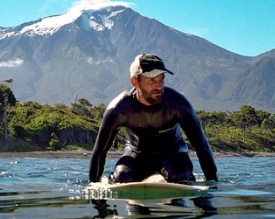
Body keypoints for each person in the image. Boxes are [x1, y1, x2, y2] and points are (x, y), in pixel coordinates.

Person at [89, 54, 218, 184]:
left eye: (161, 79)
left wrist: (213, 186)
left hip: (173, 153)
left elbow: (202, 147)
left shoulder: (178, 104)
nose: (159, 86)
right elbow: (100, 151)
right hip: (136, 154)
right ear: (135, 81)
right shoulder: (119, 109)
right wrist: (94, 187)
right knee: (122, 178)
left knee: (180, 176)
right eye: (151, 80)